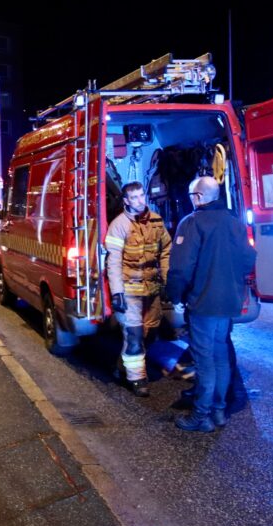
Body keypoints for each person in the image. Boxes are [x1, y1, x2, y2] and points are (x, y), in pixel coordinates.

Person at [166, 176, 256, 432]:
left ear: (199, 197)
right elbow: (249, 258)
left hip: (203, 303)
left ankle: (200, 416)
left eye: (192, 196)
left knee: (204, 361)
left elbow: (181, 268)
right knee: (221, 357)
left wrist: (175, 295)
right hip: (228, 303)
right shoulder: (234, 223)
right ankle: (218, 412)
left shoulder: (192, 223)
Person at [104, 181, 172, 397]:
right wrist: (117, 292)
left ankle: (122, 366)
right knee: (133, 335)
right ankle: (137, 379)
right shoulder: (119, 225)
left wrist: (167, 282)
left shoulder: (156, 222)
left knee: (150, 333)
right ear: (126, 201)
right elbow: (113, 261)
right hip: (129, 290)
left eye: (142, 195)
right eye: (135, 197)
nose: (141, 200)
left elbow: (166, 252)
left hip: (151, 289)